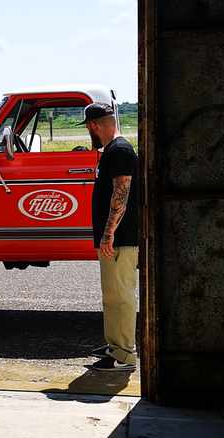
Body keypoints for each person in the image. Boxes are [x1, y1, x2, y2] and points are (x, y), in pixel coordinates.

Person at [80, 102, 140, 372]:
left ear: (94, 125)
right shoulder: (112, 151)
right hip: (114, 238)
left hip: (121, 238)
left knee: (122, 294)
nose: (89, 133)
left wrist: (108, 234)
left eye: (89, 128)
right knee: (112, 296)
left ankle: (125, 355)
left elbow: (122, 194)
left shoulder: (120, 150)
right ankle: (114, 346)